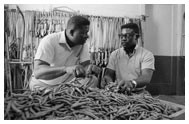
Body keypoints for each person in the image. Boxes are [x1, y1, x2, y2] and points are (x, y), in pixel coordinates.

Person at [29, 15, 101, 91]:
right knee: (53, 100)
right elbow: (38, 72)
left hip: (66, 84)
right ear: (71, 32)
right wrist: (65, 69)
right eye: (82, 33)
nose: (86, 36)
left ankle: (68, 94)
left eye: (86, 32)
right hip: (43, 85)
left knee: (93, 80)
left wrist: (90, 68)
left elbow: (85, 65)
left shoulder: (82, 44)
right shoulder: (49, 41)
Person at [101, 23, 155, 94]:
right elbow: (109, 74)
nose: (123, 39)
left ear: (136, 36)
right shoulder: (115, 54)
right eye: (121, 36)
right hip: (118, 92)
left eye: (127, 36)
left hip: (139, 93)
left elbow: (146, 77)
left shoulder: (146, 55)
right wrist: (108, 80)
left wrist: (132, 83)